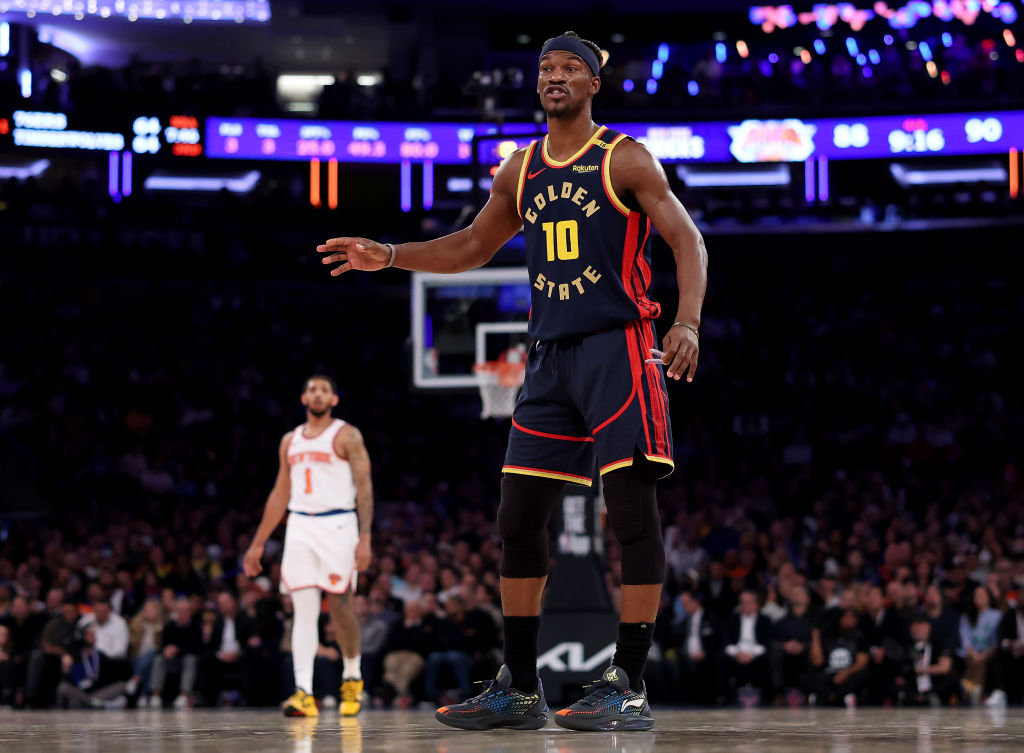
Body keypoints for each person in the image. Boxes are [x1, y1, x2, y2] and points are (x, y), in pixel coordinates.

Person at [318, 30, 706, 732]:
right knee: (516, 518)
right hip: (548, 357)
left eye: (570, 69)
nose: (555, 77)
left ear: (593, 84)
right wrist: (390, 254)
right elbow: (470, 245)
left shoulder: (625, 157)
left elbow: (687, 238)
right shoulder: (519, 169)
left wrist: (687, 322)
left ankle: (631, 679)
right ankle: (520, 685)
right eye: (546, 69)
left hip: (619, 346)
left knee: (630, 509)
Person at [244, 375, 375, 717]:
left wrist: (366, 537)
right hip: (300, 524)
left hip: (339, 524)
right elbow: (279, 493)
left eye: (325, 390)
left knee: (341, 604)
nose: (318, 394)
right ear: (304, 398)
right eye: (312, 390)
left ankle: (352, 676)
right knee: (302, 609)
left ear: (334, 399)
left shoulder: (347, 435)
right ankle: (303, 691)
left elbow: (364, 487)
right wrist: (257, 544)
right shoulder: (290, 441)